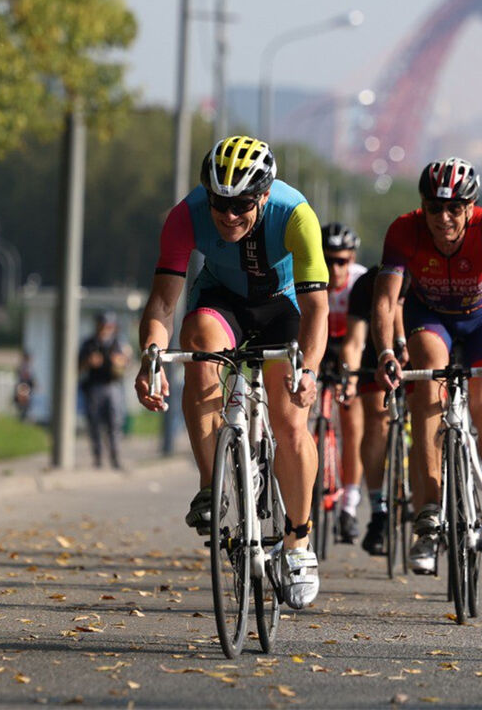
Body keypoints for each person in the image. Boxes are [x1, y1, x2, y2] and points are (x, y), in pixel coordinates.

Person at [134, 135, 329, 610]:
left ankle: (299, 543)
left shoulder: (295, 214)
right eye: (219, 203)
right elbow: (162, 301)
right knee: (198, 342)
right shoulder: (186, 215)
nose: (228, 216)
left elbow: (317, 309)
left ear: (264, 195)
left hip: (282, 307)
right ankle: (211, 486)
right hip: (221, 302)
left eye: (241, 204)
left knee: (289, 422)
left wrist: (309, 369)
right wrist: (151, 357)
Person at [372, 157, 482, 574]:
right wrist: (386, 353)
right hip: (430, 317)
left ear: (470, 207)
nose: (443, 218)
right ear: (422, 205)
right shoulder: (404, 229)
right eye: (434, 208)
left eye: (454, 208)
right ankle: (428, 518)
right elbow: (385, 302)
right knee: (427, 390)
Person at [342, 264, 409, 556]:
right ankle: (379, 509)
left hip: (421, 339)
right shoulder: (366, 284)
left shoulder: (424, 274)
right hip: (377, 350)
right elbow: (354, 342)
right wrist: (350, 379)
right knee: (375, 421)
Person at [319, 222, 368, 543]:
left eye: (342, 261)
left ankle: (349, 504)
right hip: (320, 344)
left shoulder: (358, 282)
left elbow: (356, 341)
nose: (335, 269)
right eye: (328, 260)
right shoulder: (310, 277)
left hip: (351, 345)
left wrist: (349, 380)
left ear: (352, 259)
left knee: (352, 422)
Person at [79, 311, 131, 469]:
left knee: (114, 423)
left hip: (113, 386)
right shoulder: (89, 344)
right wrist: (89, 362)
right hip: (94, 387)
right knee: (94, 423)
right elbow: (78, 367)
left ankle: (115, 457)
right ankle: (98, 457)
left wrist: (120, 362)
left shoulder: (118, 343)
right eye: (102, 326)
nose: (105, 329)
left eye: (108, 326)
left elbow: (127, 363)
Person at [14, 350, 36, 422]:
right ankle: (22, 416)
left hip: (25, 385)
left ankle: (23, 415)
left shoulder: (25, 366)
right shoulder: (25, 366)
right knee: (24, 401)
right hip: (24, 385)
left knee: (25, 402)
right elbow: (26, 376)